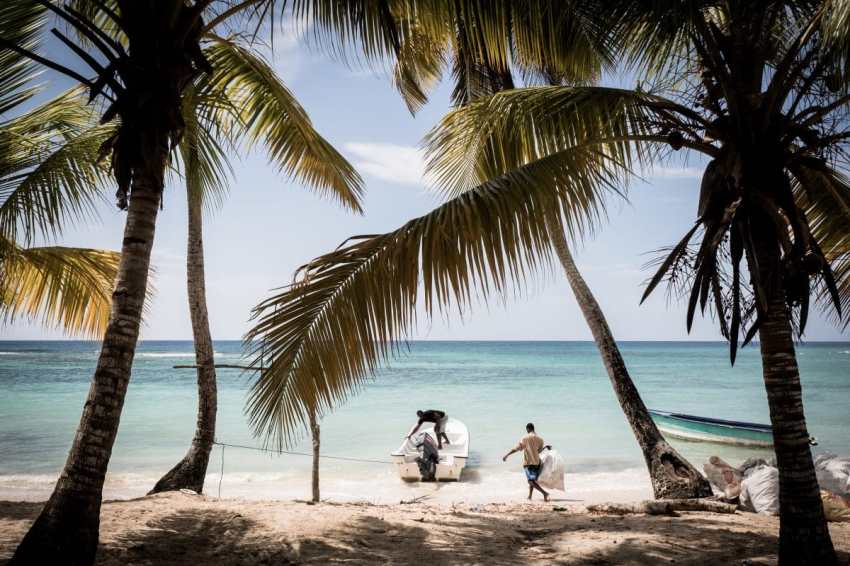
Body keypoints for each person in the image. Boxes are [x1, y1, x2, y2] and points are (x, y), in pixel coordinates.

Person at [503, 422, 552, 501]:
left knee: (530, 481)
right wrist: (545, 447)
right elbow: (538, 452)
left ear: (528, 429)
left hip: (528, 463)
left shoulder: (525, 438)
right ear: (533, 428)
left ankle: (544, 493)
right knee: (532, 480)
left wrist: (507, 455)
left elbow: (516, 448)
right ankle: (530, 496)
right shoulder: (540, 439)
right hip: (537, 463)